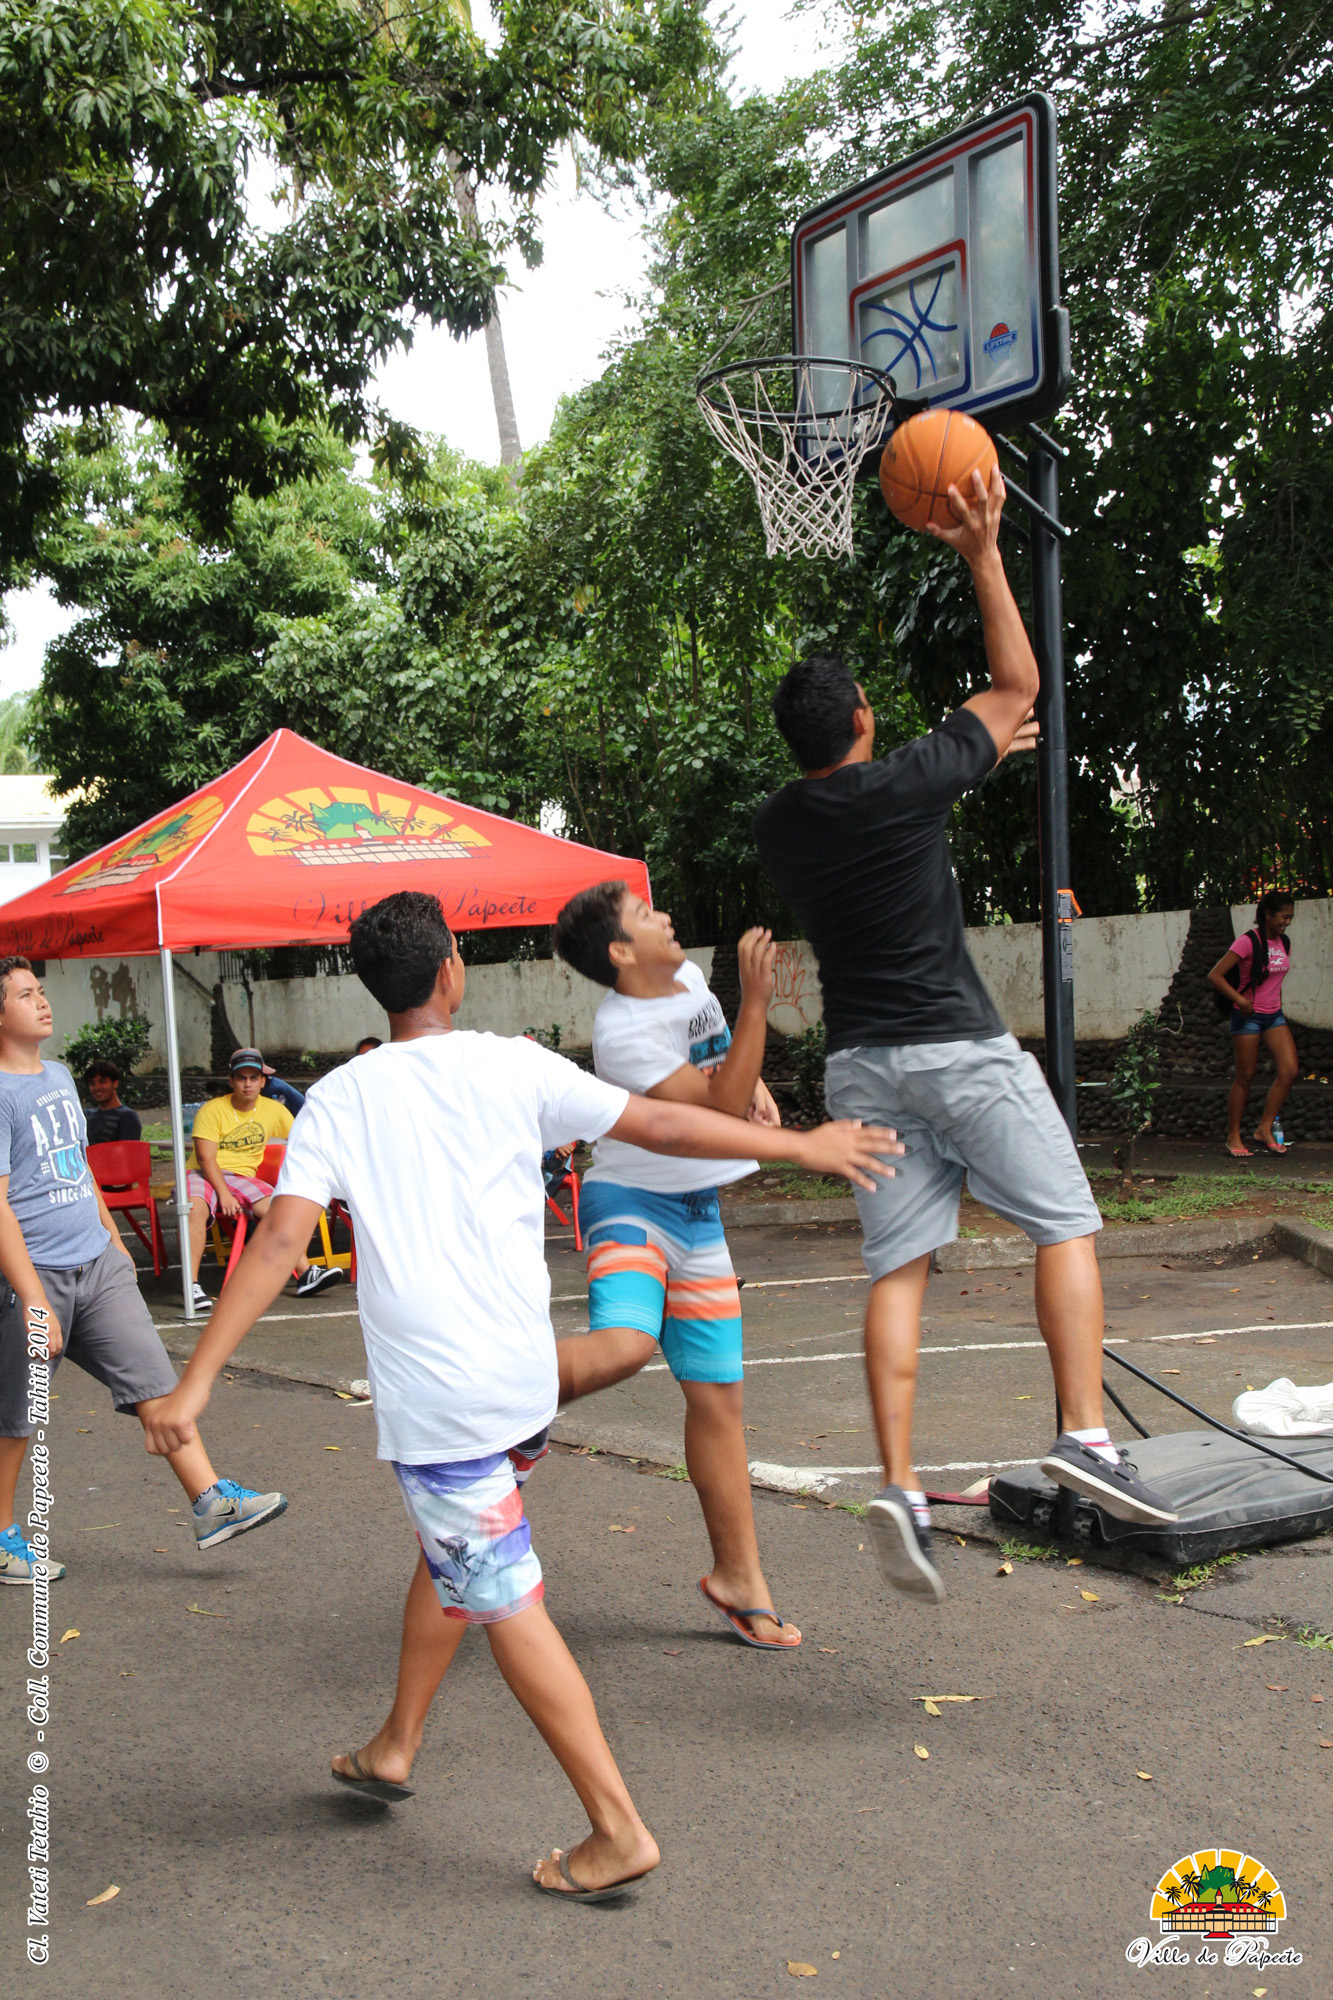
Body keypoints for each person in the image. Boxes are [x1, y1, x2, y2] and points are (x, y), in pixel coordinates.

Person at [141, 891, 897, 1898]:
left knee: (501, 1591)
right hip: (522, 1380)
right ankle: (397, 1741)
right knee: (452, 1547)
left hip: (446, 1401)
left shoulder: (339, 1098)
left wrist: (194, 1383)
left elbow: (279, 1240)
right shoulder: (511, 1062)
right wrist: (800, 1143)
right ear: (451, 970)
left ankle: (615, 1827)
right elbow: (663, 1123)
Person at [753, 465, 1177, 1609]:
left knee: (898, 1264)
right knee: (1066, 1219)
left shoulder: (781, 822)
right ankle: (1084, 1434)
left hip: (862, 1067)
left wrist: (973, 749)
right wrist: (982, 549)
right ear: (862, 723)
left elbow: (973, 729)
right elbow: (1017, 681)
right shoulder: (907, 782)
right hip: (954, 1044)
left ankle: (894, 1481)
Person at [553, 885, 798, 1650]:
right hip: (629, 1200)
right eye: (643, 915)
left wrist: (754, 1083)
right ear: (622, 954)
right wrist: (756, 1003)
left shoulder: (688, 982)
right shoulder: (620, 1035)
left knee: (719, 1402)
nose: (664, 915)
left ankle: (738, 1577)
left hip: (697, 1214)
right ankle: (490, 1383)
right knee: (624, 1344)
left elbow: (724, 1074)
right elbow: (712, 1111)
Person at [0, 958, 287, 1584]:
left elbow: (74, 1166)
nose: (43, 1003)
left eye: (42, 991)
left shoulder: (56, 1074)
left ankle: (211, 1501)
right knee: (18, 1415)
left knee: (155, 1382)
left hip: (95, 1262)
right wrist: (31, 1298)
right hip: (34, 1273)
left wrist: (111, 1235)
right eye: (27, 995)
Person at [186, 1049, 340, 1311]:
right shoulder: (211, 1110)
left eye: (253, 1078)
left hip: (242, 1176)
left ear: (263, 1082)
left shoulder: (274, 1109)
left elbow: (303, 1139)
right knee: (194, 1208)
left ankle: (305, 1274)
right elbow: (206, 1159)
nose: (248, 1084)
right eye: (242, 1078)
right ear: (231, 1081)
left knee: (279, 1209)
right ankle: (191, 1284)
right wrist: (224, 1193)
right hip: (203, 1173)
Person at [1208, 890, 1297, 1157]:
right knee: (1245, 1076)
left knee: (1290, 1070)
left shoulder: (1285, 942)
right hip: (1247, 1015)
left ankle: (1264, 1129)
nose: (1287, 922)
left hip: (1274, 1016)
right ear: (1268, 915)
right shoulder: (1247, 942)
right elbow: (1215, 975)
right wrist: (1240, 1001)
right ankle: (1233, 1136)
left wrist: (1277, 1005)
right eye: (1284, 916)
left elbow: (1275, 980)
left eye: (1291, 917)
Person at [83, 1060, 142, 1146]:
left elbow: (128, 1154)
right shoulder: (86, 1116)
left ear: (115, 1083)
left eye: (102, 1082)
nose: (97, 1087)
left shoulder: (127, 1117)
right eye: (92, 1083)